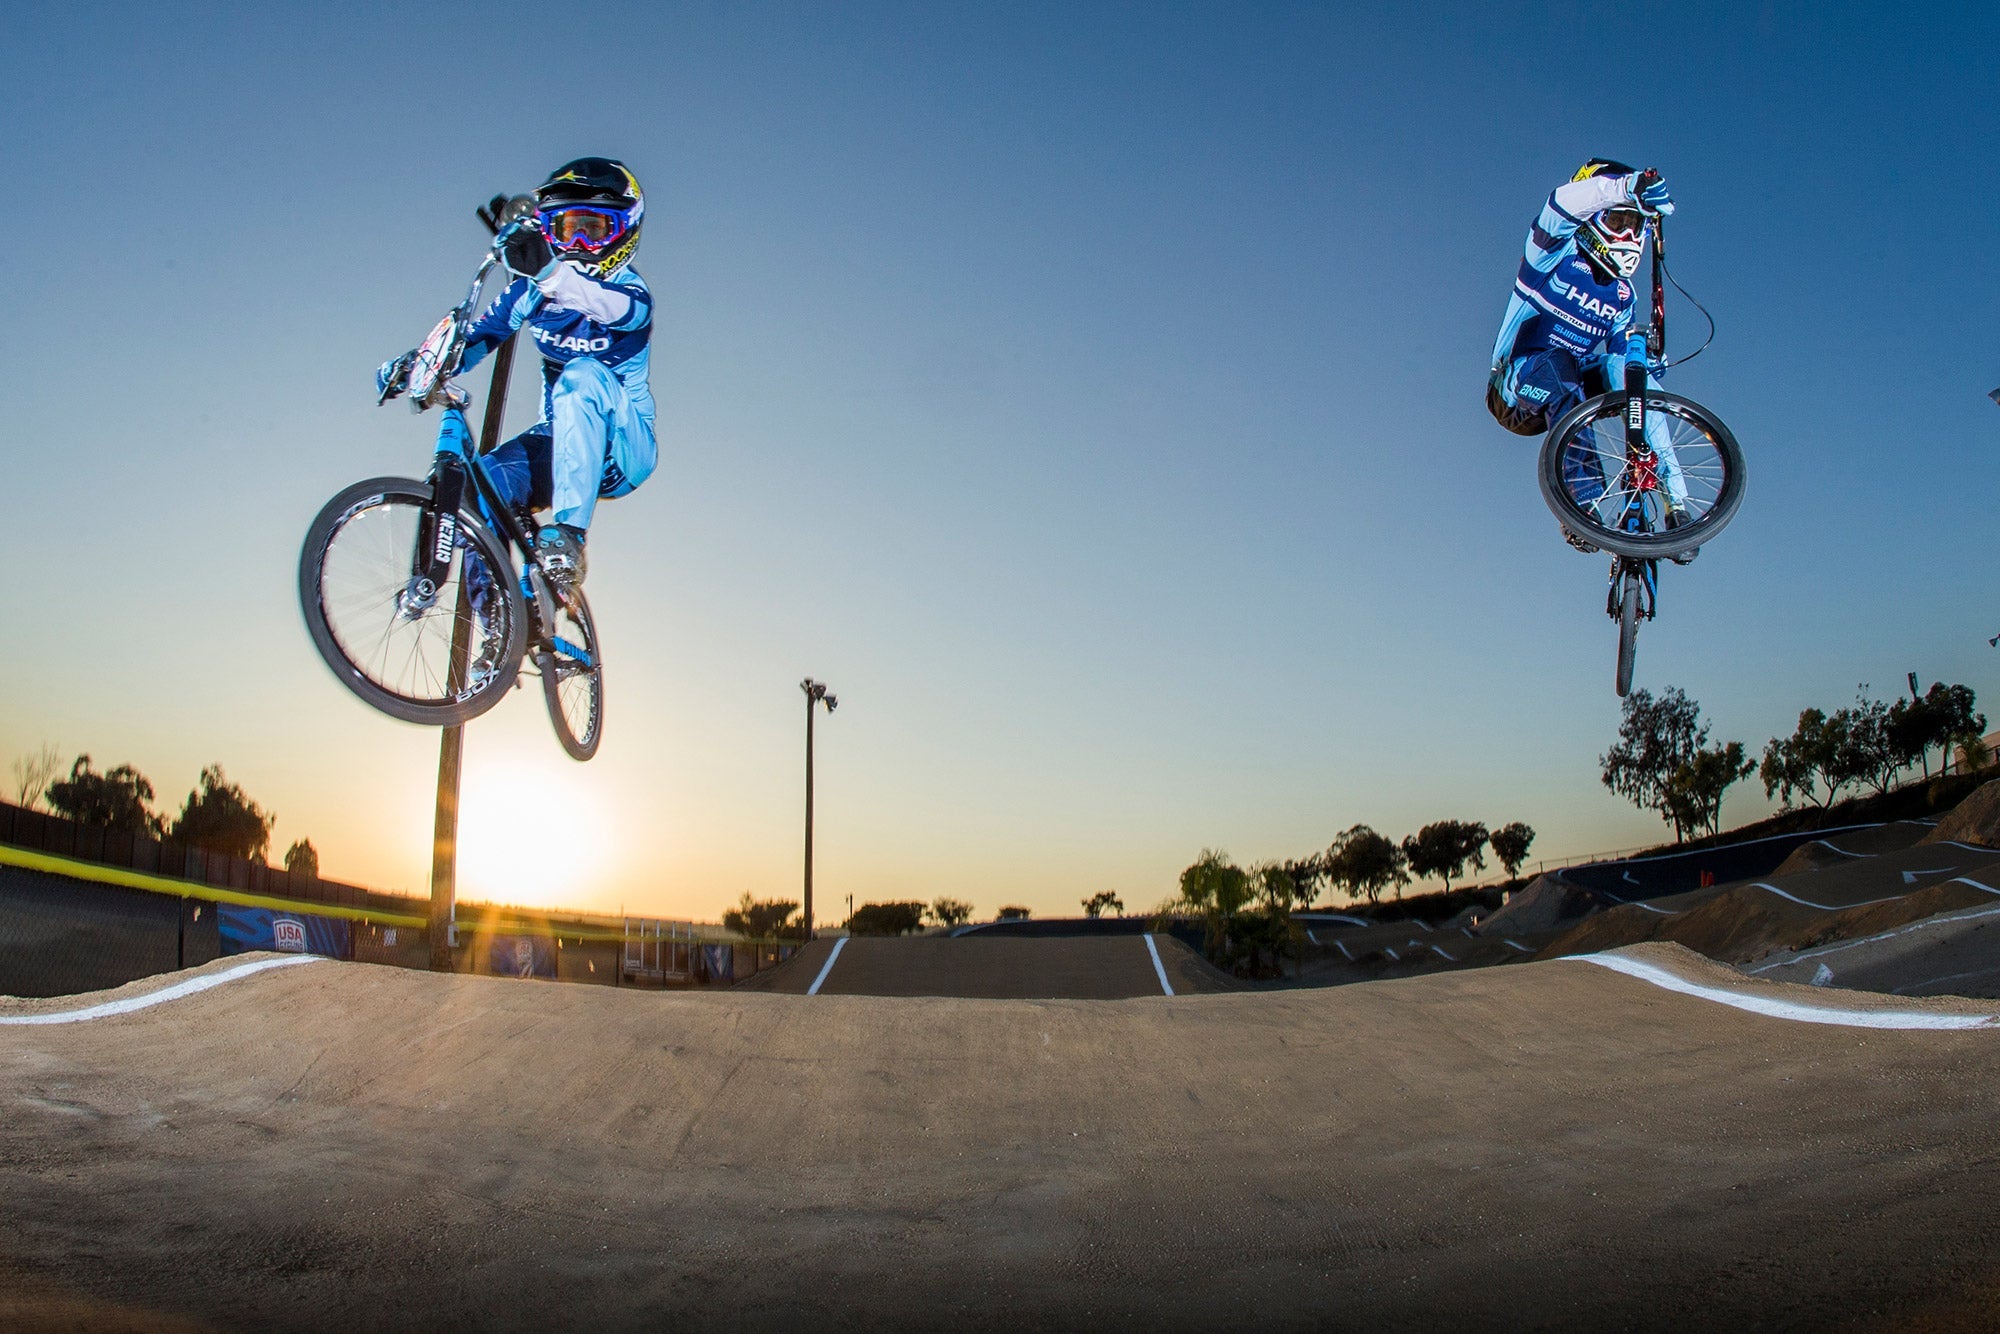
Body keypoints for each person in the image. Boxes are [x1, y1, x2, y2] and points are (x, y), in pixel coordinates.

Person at [379, 156, 656, 591]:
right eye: (567, 229)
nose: (580, 242)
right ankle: (501, 623)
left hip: (621, 447)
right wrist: (418, 364)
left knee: (581, 376)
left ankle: (570, 538)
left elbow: (609, 308)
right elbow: (475, 340)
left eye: (595, 228)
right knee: (477, 489)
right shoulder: (529, 293)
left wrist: (549, 273)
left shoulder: (629, 293)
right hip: (559, 442)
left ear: (624, 232)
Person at [1486, 159, 1695, 563]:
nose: (1629, 236)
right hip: (1516, 388)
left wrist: (1645, 368)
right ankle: (1581, 504)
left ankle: (1677, 505)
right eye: (1619, 221)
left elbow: (1620, 360)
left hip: (1572, 389)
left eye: (1638, 227)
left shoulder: (1623, 296)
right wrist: (1626, 187)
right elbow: (1561, 205)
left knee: (1627, 371)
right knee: (1560, 362)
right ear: (1595, 219)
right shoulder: (1551, 256)